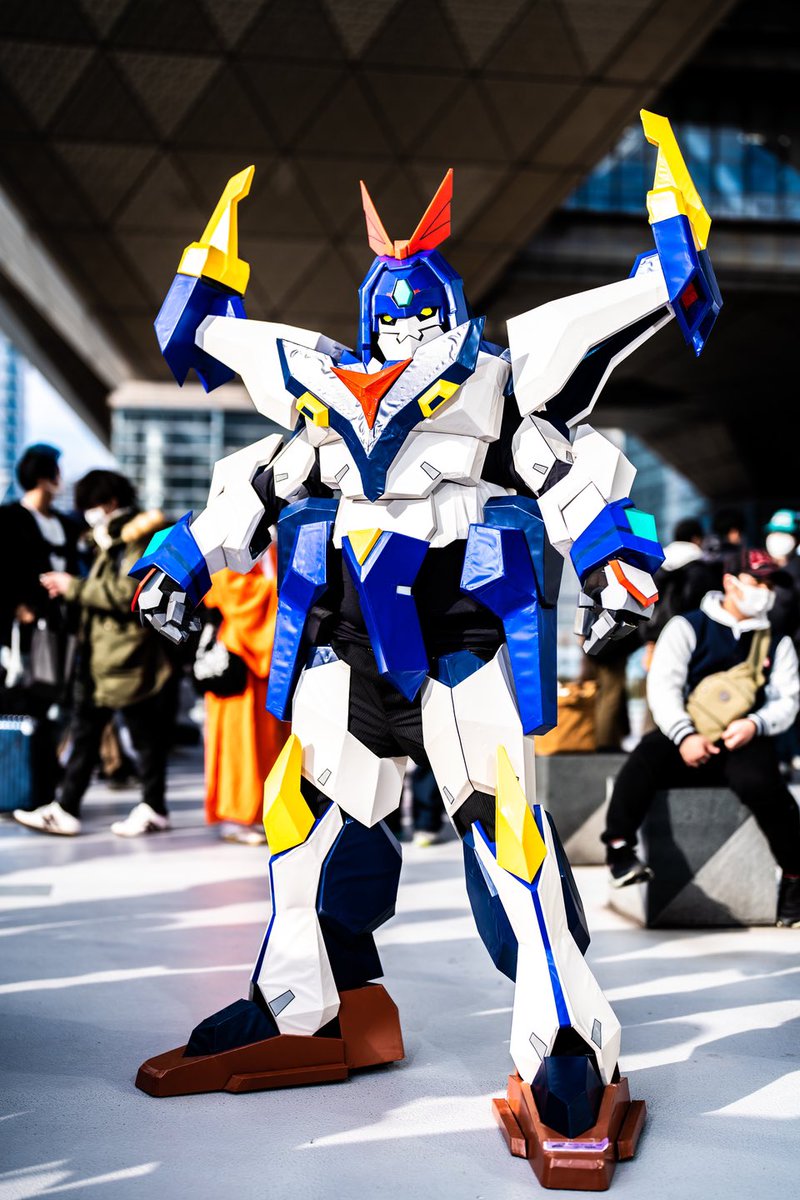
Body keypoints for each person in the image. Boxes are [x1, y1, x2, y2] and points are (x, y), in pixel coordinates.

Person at [129, 108, 721, 1164]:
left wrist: (611, 558)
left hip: (457, 649)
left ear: (446, 307)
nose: (402, 325)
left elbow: (562, 472)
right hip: (345, 651)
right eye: (386, 308)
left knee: (506, 837)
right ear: (366, 313)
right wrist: (182, 556)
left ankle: (566, 1040)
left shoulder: (497, 379)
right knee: (303, 824)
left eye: (418, 307)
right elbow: (259, 482)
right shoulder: (319, 393)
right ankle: (307, 1005)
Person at [603, 547, 800, 928]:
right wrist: (685, 735)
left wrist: (755, 724)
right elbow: (663, 687)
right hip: (689, 733)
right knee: (645, 758)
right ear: (730, 582)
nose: (764, 591)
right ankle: (619, 850)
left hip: (745, 737)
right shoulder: (688, 626)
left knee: (767, 787)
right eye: (756, 581)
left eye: (770, 584)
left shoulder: (778, 641)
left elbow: (787, 700)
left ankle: (794, 878)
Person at [12, 470, 175, 838]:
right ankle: (74, 807)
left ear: (109, 503)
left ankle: (141, 807)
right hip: (109, 654)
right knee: (100, 732)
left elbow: (127, 592)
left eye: (91, 505)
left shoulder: (136, 537)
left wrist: (73, 587)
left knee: (133, 734)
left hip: (125, 655)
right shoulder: (113, 537)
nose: (88, 514)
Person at [0, 444, 81, 804]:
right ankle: (24, 781)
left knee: (61, 707)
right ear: (44, 477)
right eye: (57, 472)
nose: (61, 479)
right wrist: (18, 607)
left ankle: (44, 778)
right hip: (24, 634)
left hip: (62, 629)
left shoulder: (66, 524)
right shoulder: (8, 519)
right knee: (24, 704)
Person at [200, 551, 286, 844]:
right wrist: (284, 590)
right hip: (239, 655)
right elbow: (231, 591)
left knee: (269, 740)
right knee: (238, 739)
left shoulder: (272, 545)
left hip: (267, 656)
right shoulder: (226, 545)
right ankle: (237, 814)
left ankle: (264, 811)